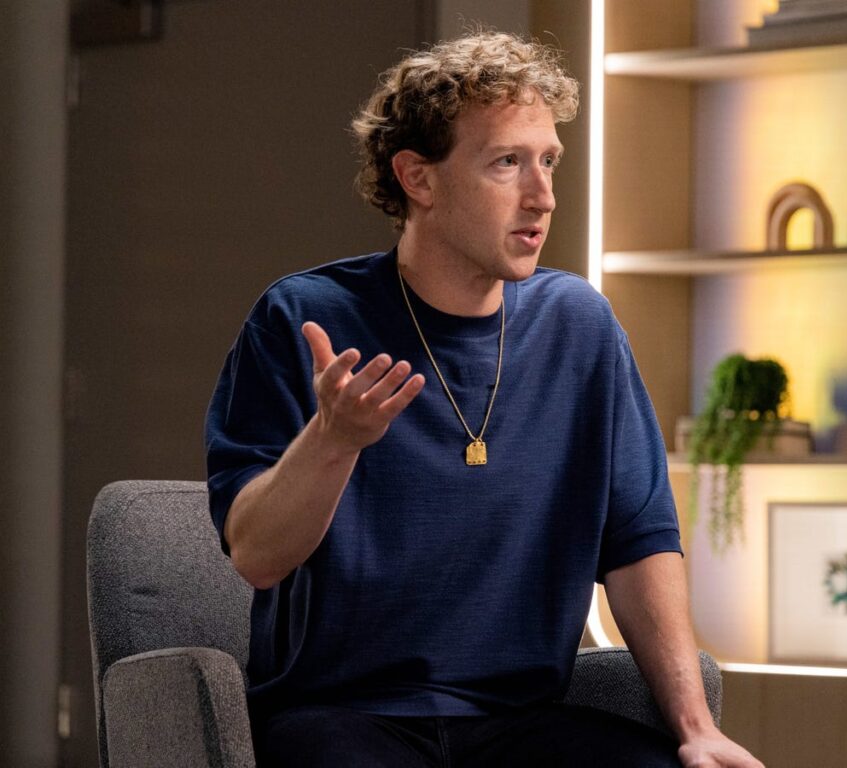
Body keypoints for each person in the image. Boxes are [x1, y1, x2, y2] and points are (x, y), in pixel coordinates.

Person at [205, 30, 763, 768]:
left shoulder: (580, 326)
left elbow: (639, 545)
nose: (543, 196)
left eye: (548, 161)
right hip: (341, 718)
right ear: (419, 178)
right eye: (507, 162)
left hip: (520, 724)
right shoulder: (304, 317)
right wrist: (333, 439)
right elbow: (256, 555)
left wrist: (696, 728)